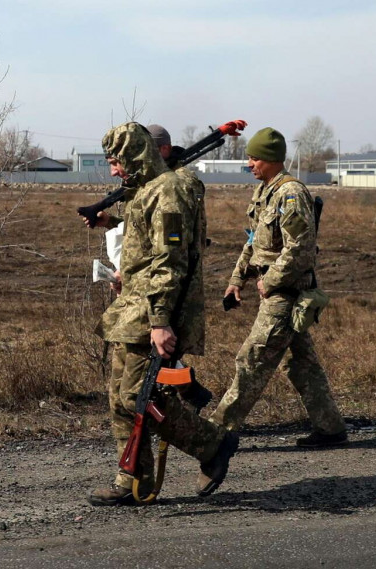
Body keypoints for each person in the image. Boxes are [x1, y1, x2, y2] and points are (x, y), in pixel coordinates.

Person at [88, 122, 237, 506]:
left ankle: (212, 444)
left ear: (135, 156)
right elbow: (144, 247)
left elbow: (169, 262)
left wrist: (160, 321)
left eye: (116, 161)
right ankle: (134, 479)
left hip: (150, 313)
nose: (113, 170)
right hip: (131, 308)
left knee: (139, 395)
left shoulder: (167, 191)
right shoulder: (145, 192)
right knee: (120, 398)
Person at [211, 127, 349, 448]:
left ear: (272, 159)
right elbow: (253, 242)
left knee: (252, 359)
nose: (250, 163)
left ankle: (216, 432)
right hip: (273, 291)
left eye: (255, 158)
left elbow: (300, 246)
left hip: (285, 295)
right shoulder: (265, 193)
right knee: (302, 365)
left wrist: (269, 280)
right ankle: (330, 429)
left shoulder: (291, 195)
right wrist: (236, 280)